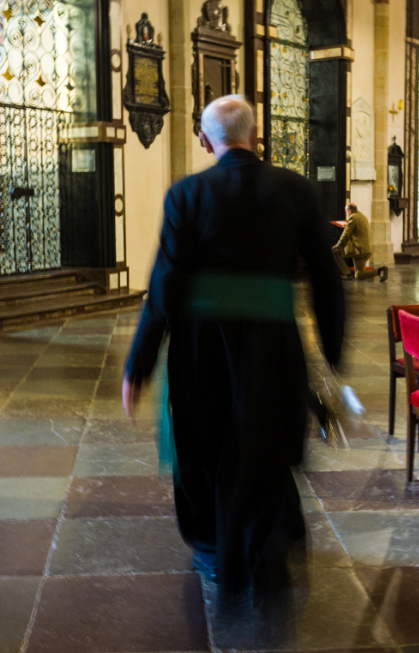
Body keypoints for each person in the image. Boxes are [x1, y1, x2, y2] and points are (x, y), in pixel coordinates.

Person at [122, 95, 345, 596]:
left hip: (201, 345)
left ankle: (213, 547)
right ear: (256, 135)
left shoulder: (187, 194)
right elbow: (326, 275)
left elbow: (165, 284)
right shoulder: (296, 190)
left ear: (205, 141)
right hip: (272, 343)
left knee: (204, 442)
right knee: (267, 437)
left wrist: (140, 362)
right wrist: (332, 348)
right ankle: (267, 543)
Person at [333, 203, 388, 281]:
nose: (346, 213)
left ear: (349, 211)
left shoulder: (353, 217)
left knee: (335, 251)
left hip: (358, 250)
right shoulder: (362, 216)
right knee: (359, 275)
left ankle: (347, 274)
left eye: (346, 211)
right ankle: (380, 270)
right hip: (366, 250)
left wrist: (339, 244)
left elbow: (346, 234)